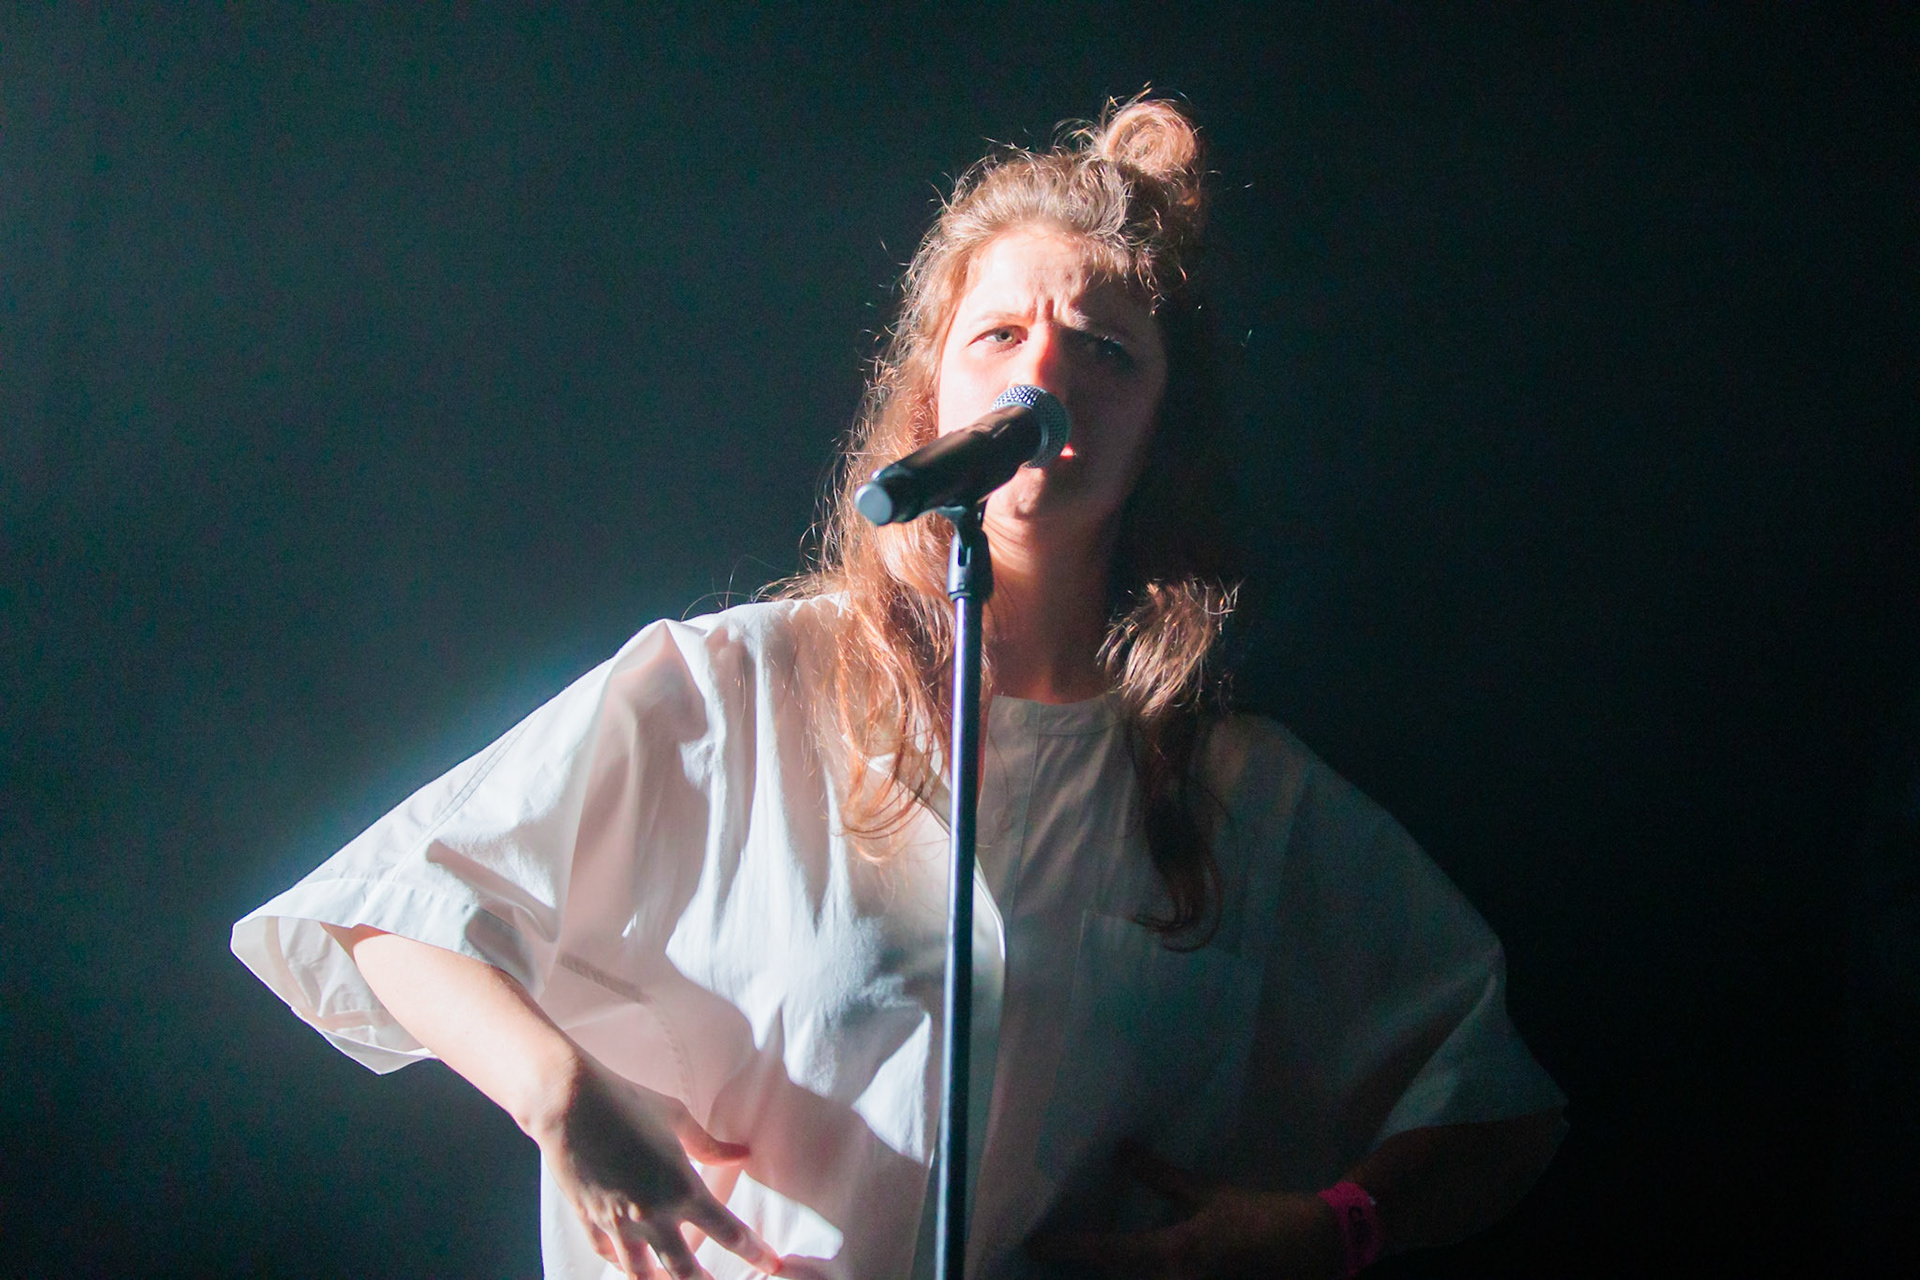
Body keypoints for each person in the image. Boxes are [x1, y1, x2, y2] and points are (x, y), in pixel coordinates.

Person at [233, 98, 1565, 1280]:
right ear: (932, 392)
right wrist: (563, 1095)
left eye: (1105, 350)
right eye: (999, 334)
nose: (1043, 372)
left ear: (1164, 423)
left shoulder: (1231, 796)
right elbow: (385, 910)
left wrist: (1333, 1228)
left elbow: (1494, 1089)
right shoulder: (735, 689)